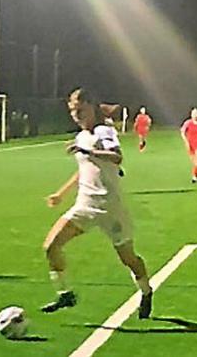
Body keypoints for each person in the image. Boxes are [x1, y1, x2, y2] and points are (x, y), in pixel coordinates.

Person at [41, 88, 153, 318]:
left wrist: (88, 150)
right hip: (84, 205)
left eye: (80, 110)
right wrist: (61, 194)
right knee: (51, 246)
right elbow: (84, 169)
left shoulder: (104, 131)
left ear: (92, 106)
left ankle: (146, 291)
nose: (76, 115)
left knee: (128, 259)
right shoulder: (81, 136)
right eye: (72, 111)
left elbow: (117, 156)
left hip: (110, 208)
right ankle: (65, 294)